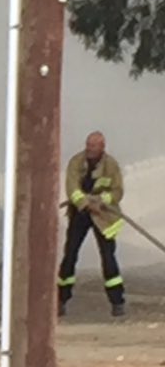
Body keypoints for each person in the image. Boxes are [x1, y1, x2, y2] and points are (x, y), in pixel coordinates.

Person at [58, 131, 126, 318]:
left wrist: (101, 201)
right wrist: (85, 203)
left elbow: (117, 191)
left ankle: (117, 302)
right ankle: (61, 299)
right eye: (88, 144)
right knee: (70, 254)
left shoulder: (111, 165)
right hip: (80, 213)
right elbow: (72, 188)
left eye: (93, 145)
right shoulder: (76, 162)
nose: (89, 148)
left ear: (102, 147)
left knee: (108, 256)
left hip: (103, 216)